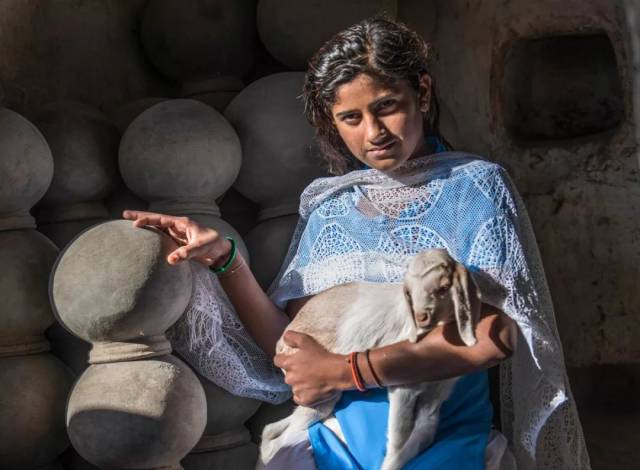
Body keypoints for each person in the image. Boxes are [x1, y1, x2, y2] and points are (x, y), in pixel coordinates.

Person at [123, 17, 589, 470]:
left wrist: (348, 371)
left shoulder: (474, 188)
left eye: (387, 105)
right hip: (337, 446)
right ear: (333, 122)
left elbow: (495, 338)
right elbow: (294, 347)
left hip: (440, 442)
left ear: (422, 92)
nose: (374, 132)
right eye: (351, 117)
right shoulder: (333, 208)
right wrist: (226, 260)